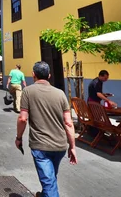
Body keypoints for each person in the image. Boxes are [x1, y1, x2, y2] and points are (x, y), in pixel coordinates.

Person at [16, 62, 77, 197]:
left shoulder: (28, 91)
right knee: (50, 177)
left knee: (48, 181)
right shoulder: (60, 94)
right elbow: (68, 122)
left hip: (41, 146)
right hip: (60, 146)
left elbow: (23, 119)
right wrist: (72, 146)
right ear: (49, 75)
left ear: (33, 74)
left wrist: (18, 138)